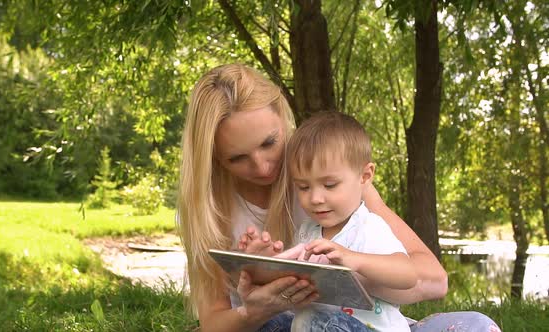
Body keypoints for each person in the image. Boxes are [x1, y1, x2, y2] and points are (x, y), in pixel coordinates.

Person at [177, 63, 500, 332]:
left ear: (282, 117)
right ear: (215, 158)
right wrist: (256, 302)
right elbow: (214, 323)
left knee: (476, 325)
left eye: (269, 143)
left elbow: (433, 280)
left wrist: (336, 274)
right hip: (281, 326)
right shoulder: (208, 210)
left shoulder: (328, 173)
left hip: (359, 322)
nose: (263, 167)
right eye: (237, 158)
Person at [242, 111, 418, 331]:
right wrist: (265, 264)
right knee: (265, 324)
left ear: (365, 176)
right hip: (312, 323)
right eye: (303, 187)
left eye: (330, 185)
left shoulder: (367, 226)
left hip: (367, 328)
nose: (315, 199)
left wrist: (353, 259)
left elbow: (408, 275)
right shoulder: (307, 232)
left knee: (313, 321)